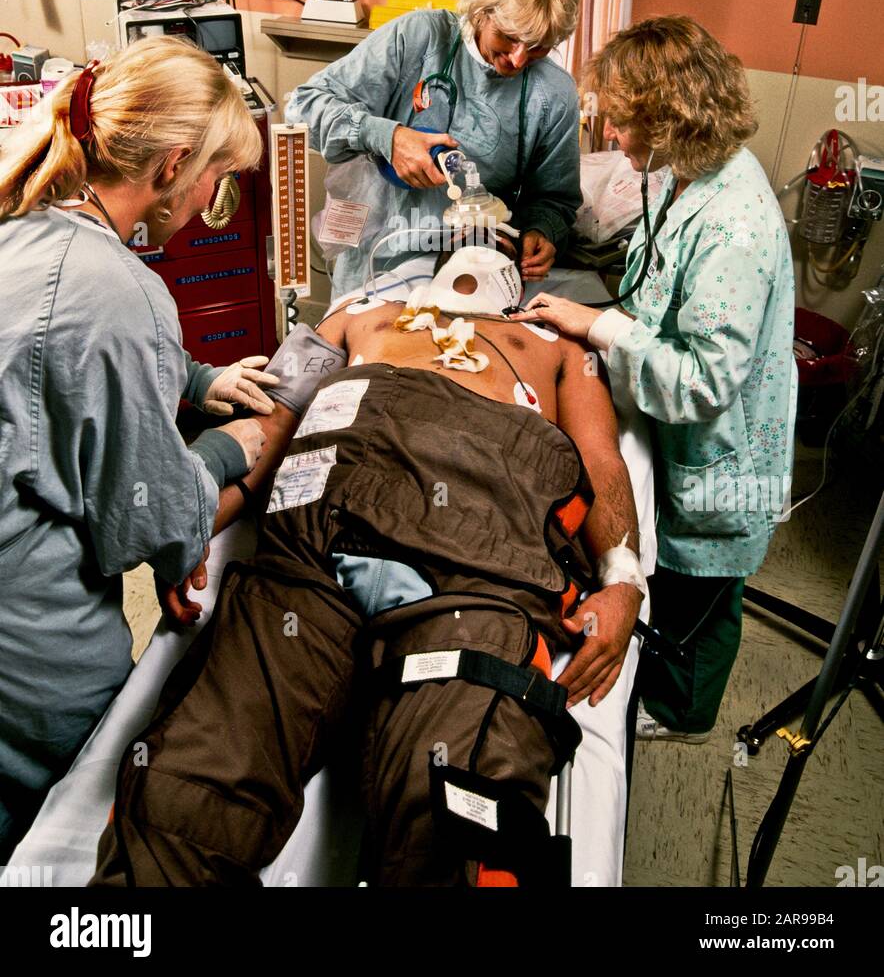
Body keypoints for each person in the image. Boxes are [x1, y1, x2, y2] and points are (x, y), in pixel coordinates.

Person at [90, 244, 644, 888]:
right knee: (191, 782)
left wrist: (624, 578)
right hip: (317, 542)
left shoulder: (556, 345)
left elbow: (601, 458)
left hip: (476, 556)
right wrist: (194, 523)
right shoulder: (356, 313)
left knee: (458, 815)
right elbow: (273, 419)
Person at [0, 37, 278, 859]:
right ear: (173, 165)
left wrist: (194, 379)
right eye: (216, 178)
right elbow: (153, 522)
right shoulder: (122, 293)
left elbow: (54, 361)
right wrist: (241, 445)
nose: (213, 198)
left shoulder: (24, 227)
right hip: (29, 671)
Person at [514, 16, 798, 744]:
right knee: (676, 578)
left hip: (721, 449)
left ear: (671, 119)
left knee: (705, 595)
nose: (613, 134)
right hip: (675, 421)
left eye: (625, 121)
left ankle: (684, 715)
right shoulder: (683, 175)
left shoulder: (736, 224)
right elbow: (654, 287)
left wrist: (603, 329)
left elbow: (704, 381)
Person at [288, 0, 583, 298]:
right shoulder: (419, 39)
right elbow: (304, 107)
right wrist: (387, 137)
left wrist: (544, 228)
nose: (518, 59)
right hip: (381, 263)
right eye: (509, 37)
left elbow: (555, 197)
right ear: (482, 11)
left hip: (477, 273)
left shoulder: (552, 92)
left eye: (538, 47)